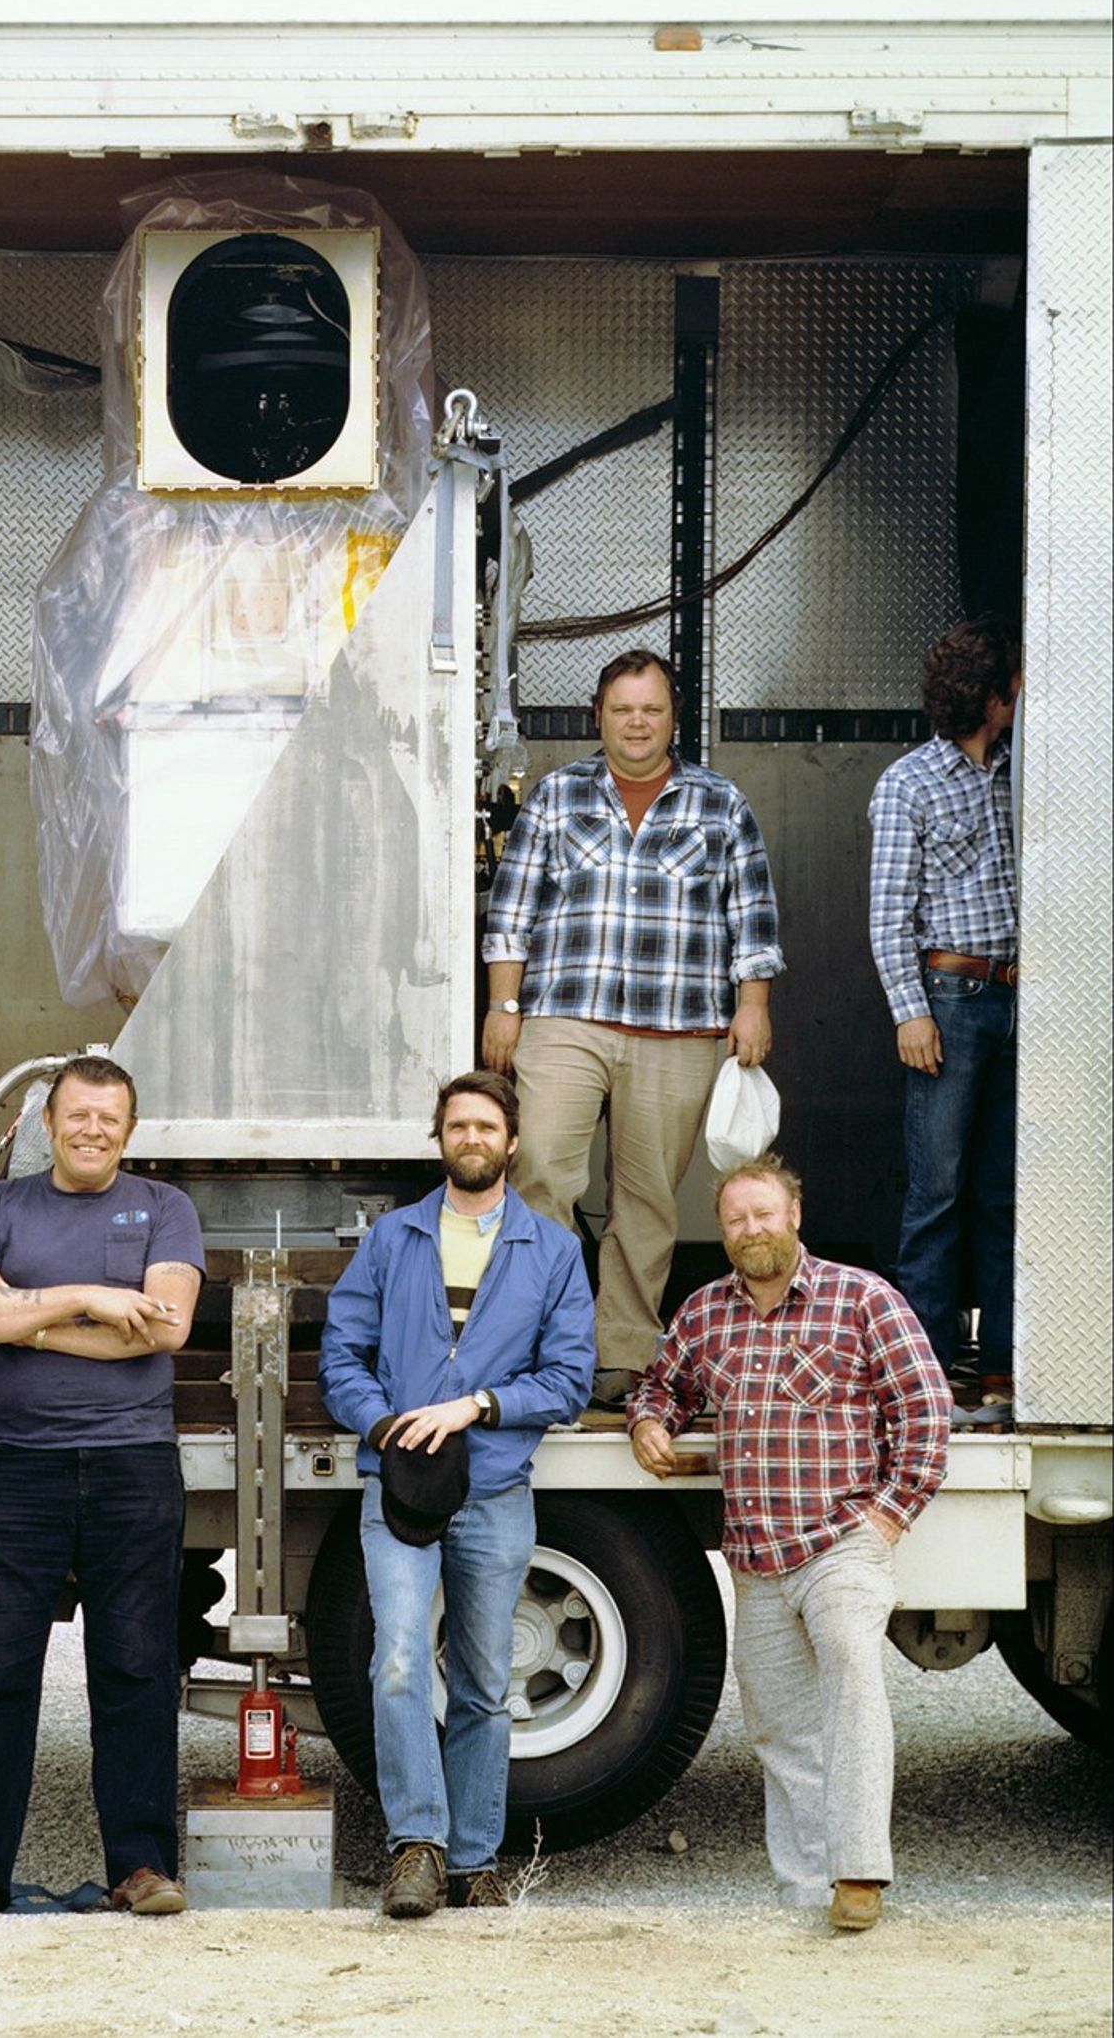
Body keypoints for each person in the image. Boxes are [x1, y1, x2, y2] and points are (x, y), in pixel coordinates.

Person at [626, 1154, 950, 1932]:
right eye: (735, 1219)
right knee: (778, 1727)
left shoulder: (861, 1298)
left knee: (850, 1683)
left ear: (793, 1215)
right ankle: (807, 1888)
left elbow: (926, 1410)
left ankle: (860, 1870)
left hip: (842, 1540)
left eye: (762, 1213)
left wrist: (886, 1517)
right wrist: (648, 1421)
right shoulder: (705, 1313)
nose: (749, 1230)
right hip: (756, 1556)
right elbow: (662, 1383)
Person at [0, 1054, 205, 1922]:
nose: (92, 1130)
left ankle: (141, 1865)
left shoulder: (166, 1209)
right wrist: (86, 1296)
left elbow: (161, 1331)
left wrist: (28, 1319)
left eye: (109, 1119)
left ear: (129, 1128)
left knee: (135, 1668)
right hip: (18, 1461)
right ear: (48, 1122)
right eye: (77, 1115)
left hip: (131, 1463)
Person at [318, 1070, 595, 1918]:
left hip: (496, 1489)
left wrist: (477, 1404)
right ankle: (416, 1849)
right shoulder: (391, 1239)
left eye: (486, 1127)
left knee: (483, 1677)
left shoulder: (551, 1250)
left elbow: (570, 1379)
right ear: (438, 1139)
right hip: (399, 1488)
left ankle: (475, 1858)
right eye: (457, 1126)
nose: (471, 1139)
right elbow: (341, 1356)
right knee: (398, 1661)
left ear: (511, 1143)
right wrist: (384, 1425)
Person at [482, 647, 783, 1402]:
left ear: (672, 715)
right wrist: (502, 1006)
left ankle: (619, 1353)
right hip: (564, 1018)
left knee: (647, 1199)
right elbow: (510, 913)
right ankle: (543, 1342)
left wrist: (752, 1005)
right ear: (599, 716)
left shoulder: (719, 802)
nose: (637, 723)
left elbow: (750, 918)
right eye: (622, 710)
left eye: (651, 709)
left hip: (677, 1026)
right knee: (541, 1170)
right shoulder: (555, 796)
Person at [869, 614, 1021, 1410]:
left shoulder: (1017, 773)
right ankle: (925, 1377)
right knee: (937, 1192)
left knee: (1002, 1192)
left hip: (1016, 996)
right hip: (949, 1000)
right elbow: (887, 911)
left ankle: (997, 1366)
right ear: (989, 696)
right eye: (1011, 685)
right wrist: (909, 1012)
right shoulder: (907, 783)